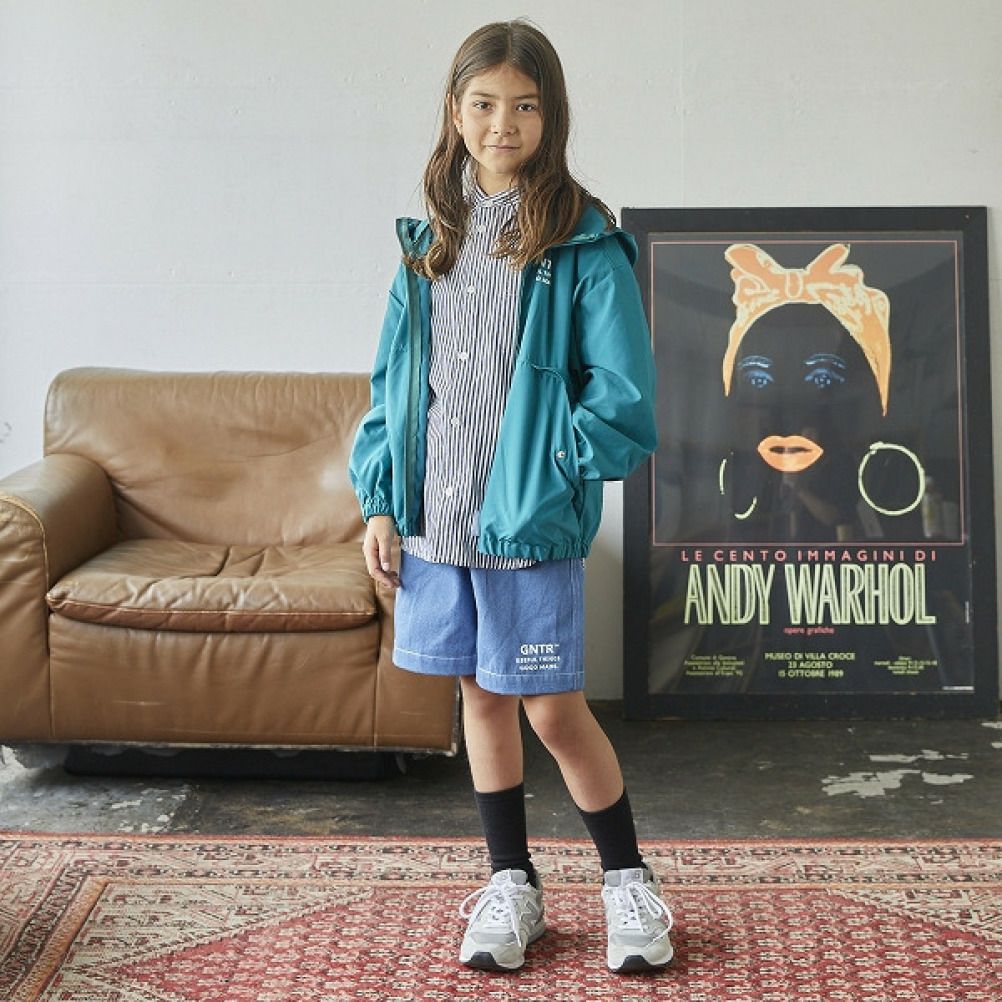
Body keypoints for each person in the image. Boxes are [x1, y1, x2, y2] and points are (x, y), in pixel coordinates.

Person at [348, 19, 671, 975]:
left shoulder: (584, 245)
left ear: (550, 116)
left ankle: (627, 881)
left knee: (553, 711)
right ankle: (512, 885)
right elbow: (392, 390)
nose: (503, 124)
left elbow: (624, 401)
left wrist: (549, 471)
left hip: (528, 528)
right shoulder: (428, 248)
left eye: (524, 106)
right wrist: (381, 501)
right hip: (438, 524)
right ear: (456, 113)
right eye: (484, 104)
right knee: (480, 704)